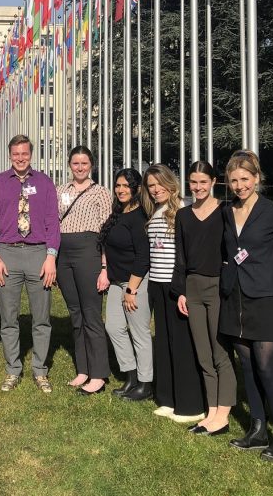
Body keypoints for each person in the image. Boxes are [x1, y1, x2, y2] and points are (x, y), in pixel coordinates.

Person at [219, 150, 273, 459]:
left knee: (266, 367)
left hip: (263, 297)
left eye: (245, 179)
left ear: (257, 179)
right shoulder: (226, 211)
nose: (239, 185)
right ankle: (258, 428)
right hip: (234, 296)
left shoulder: (272, 211)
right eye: (234, 180)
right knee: (247, 366)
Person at [0, 134, 60, 393]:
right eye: (16, 154)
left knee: (41, 318)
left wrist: (51, 256)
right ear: (9, 155)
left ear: (31, 154)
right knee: (9, 318)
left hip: (39, 254)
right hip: (7, 254)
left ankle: (40, 370)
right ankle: (13, 369)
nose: (20, 158)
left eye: (24, 153)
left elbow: (53, 223)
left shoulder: (45, 183)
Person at [173, 161, 236, 436]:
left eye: (203, 182)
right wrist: (181, 291)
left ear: (213, 182)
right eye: (193, 182)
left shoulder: (226, 211)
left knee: (220, 352)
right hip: (192, 288)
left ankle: (224, 414)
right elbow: (180, 256)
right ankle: (211, 413)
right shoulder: (184, 215)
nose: (197, 187)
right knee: (203, 354)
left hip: (218, 287)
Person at [143, 164, 205, 422]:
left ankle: (191, 405)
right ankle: (167, 397)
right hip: (157, 284)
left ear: (170, 183)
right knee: (165, 342)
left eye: (159, 184)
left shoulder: (183, 210)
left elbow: (187, 253)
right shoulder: (155, 211)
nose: (156, 190)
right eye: (151, 186)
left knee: (182, 344)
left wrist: (183, 287)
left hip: (175, 284)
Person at [55, 146, 112, 395]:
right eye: (76, 163)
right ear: (70, 165)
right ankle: (83, 369)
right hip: (63, 256)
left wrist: (104, 267)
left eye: (84, 164)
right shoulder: (60, 191)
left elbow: (107, 233)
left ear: (92, 165)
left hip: (89, 254)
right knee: (75, 314)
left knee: (91, 314)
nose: (80, 168)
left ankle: (99, 373)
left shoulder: (101, 193)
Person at [101, 168, 153, 402]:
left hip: (136, 282)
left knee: (140, 333)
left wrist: (131, 289)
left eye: (126, 186)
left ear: (136, 189)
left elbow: (143, 256)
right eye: (118, 185)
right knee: (113, 327)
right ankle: (131, 375)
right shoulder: (118, 213)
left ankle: (146, 383)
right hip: (116, 281)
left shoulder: (139, 217)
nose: (121, 190)